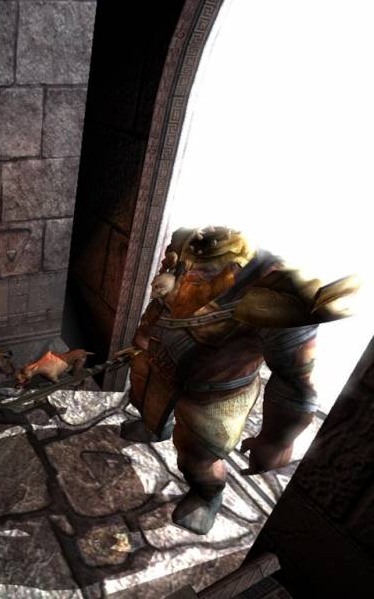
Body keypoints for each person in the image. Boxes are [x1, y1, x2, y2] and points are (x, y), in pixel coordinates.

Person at [121, 226, 356, 534]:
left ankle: (207, 495)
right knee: (147, 405)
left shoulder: (277, 295)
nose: (192, 276)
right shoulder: (187, 246)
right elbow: (161, 302)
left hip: (216, 396)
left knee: (197, 459)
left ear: (232, 267)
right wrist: (144, 336)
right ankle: (155, 428)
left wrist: (274, 441)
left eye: (204, 272)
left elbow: (294, 383)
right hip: (161, 365)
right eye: (190, 268)